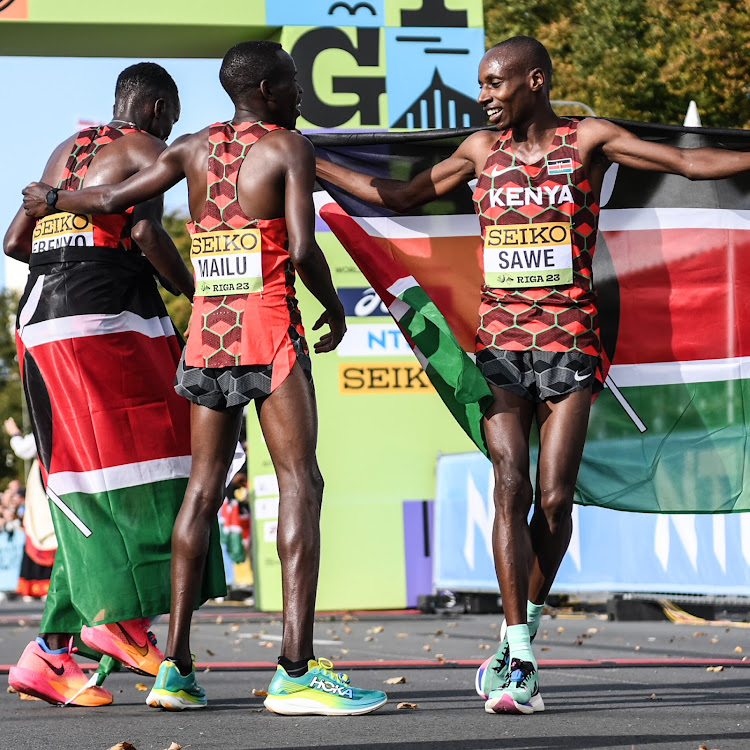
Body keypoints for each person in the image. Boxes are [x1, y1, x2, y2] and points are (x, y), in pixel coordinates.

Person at [315, 35, 750, 714]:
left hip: (573, 341)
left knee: (553, 500)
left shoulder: (588, 139)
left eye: (494, 84)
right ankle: (519, 652)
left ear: (535, 81)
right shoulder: (480, 153)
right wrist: (316, 164)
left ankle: (526, 625)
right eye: (481, 84)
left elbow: (688, 165)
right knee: (508, 482)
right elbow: (399, 196)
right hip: (500, 348)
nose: (482, 96)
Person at [20, 40, 388, 716]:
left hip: (207, 338)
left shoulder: (189, 146)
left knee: (200, 488)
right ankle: (296, 670)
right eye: (295, 85)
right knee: (301, 482)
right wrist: (333, 308)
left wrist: (52, 196)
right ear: (271, 89)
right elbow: (303, 249)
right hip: (268, 328)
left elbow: (112, 197)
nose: (301, 97)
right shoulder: (287, 147)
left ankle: (176, 671)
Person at [5, 62, 227, 707]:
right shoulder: (147, 150)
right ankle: (113, 628)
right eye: (175, 111)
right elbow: (145, 231)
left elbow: (15, 241)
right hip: (103, 320)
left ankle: (57, 649)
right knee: (166, 467)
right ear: (157, 106)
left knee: (86, 478)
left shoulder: (62, 152)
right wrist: (196, 292)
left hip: (42, 319)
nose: (175, 124)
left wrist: (67, 241)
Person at [4, 417, 57, 599]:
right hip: (56, 482)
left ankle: (49, 586)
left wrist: (14, 433)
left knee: (42, 530)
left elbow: (24, 448)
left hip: (47, 486)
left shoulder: (48, 423)